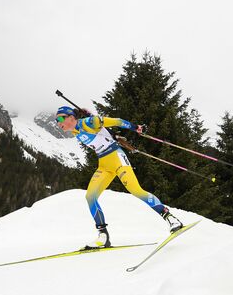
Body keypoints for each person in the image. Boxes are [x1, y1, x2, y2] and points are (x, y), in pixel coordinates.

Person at [55, 106, 183, 249]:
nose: (58, 123)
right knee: (90, 197)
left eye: (60, 118)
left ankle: (170, 217)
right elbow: (102, 134)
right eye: (56, 120)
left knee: (136, 190)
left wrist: (136, 127)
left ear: (71, 117)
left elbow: (117, 121)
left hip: (117, 157)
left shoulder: (89, 122)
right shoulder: (74, 130)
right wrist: (110, 134)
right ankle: (103, 236)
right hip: (104, 165)